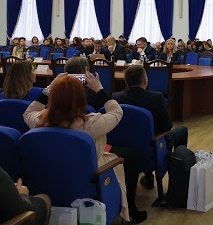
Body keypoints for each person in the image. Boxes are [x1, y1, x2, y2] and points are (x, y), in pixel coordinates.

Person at [23, 73, 147, 223]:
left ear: (52, 97)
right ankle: (131, 208)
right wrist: (99, 89)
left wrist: (50, 88)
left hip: (51, 178)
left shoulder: (38, 121)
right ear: (82, 99)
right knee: (128, 156)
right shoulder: (89, 124)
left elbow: (28, 112)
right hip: (89, 177)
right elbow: (117, 111)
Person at [113, 64, 189, 190]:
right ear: (145, 80)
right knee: (182, 131)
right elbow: (167, 126)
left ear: (126, 81)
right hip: (152, 147)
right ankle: (178, 183)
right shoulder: (156, 97)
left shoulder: (115, 98)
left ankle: (148, 177)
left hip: (123, 148)